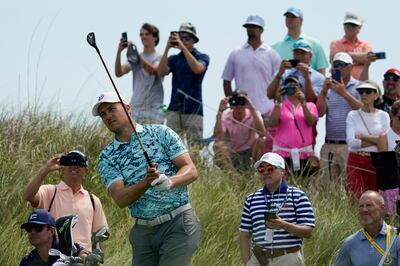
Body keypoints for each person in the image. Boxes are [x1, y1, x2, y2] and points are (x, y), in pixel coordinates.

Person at [92, 91, 200, 266]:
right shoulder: (107, 156)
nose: (107, 116)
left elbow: (190, 170)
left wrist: (169, 182)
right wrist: (146, 182)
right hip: (143, 232)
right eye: (103, 114)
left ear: (127, 108)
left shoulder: (161, 133)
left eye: (112, 109)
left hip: (178, 223)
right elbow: (120, 198)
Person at [23, 150, 108, 250]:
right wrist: (46, 169)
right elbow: (28, 196)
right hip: (55, 258)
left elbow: (100, 235)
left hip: (83, 260)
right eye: (70, 162)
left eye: (79, 163)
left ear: (86, 170)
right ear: (64, 167)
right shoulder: (50, 191)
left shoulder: (93, 200)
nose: (74, 166)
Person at [239, 152, 315, 266]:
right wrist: (247, 262)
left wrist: (284, 225)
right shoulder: (251, 199)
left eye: (270, 169)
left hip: (288, 257)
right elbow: (244, 234)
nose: (265, 172)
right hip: (259, 259)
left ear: (282, 172)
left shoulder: (298, 196)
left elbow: (307, 232)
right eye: (261, 169)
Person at [221, 15, 281, 153]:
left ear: (261, 30)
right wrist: (232, 103)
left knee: (265, 146)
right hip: (241, 111)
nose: (251, 30)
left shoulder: (271, 54)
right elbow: (227, 80)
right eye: (248, 27)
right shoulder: (236, 53)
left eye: (254, 27)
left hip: (265, 109)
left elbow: (279, 80)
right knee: (239, 149)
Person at [158, 22, 209, 142]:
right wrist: (167, 48)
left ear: (194, 40)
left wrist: (183, 47)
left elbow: (197, 69)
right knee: (171, 147)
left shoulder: (202, 56)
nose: (183, 41)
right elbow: (161, 72)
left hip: (194, 111)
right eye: (181, 38)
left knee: (194, 148)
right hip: (174, 110)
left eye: (187, 38)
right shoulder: (174, 59)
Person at [316, 52, 363, 179]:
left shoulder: (359, 86)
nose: (338, 68)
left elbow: (362, 111)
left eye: (342, 64)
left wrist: (344, 93)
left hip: (350, 146)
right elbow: (319, 113)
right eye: (335, 64)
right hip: (329, 144)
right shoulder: (328, 88)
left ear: (351, 67)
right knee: (328, 188)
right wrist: (323, 92)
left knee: (350, 185)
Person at [346, 80, 390, 199]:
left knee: (376, 198)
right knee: (355, 198)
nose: (364, 94)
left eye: (368, 91)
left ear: (376, 95)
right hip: (356, 160)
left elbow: (386, 142)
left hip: (377, 161)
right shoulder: (352, 115)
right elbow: (351, 143)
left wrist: (364, 137)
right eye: (361, 91)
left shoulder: (384, 116)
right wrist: (377, 140)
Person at [269, 76, 319, 176]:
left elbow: (311, 122)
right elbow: (272, 124)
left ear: (300, 88)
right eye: (287, 86)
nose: (291, 88)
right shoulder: (279, 106)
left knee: (304, 184)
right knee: (283, 184)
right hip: (282, 152)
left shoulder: (310, 106)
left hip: (304, 153)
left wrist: (303, 103)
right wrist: (278, 102)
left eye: (294, 86)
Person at [115, 23, 164, 124]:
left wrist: (138, 57)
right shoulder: (135, 57)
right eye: (141, 34)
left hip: (154, 108)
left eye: (147, 34)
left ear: (155, 37)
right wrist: (119, 51)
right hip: (136, 107)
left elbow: (153, 71)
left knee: (153, 139)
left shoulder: (160, 57)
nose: (143, 37)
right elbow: (119, 73)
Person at [334, 190, 400, 266]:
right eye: (361, 206)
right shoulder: (349, 244)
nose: (364, 210)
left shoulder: (397, 238)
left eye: (369, 205)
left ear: (382, 208)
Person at [213, 90, 266, 172]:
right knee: (217, 145)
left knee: (261, 141)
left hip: (250, 153)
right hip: (233, 153)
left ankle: (258, 171)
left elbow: (262, 133)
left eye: (241, 102)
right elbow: (218, 136)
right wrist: (220, 112)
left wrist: (252, 108)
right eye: (235, 102)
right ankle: (233, 177)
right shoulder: (226, 115)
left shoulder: (254, 113)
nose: (239, 106)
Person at [272, 7, 329, 75]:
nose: (289, 19)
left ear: (301, 20)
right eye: (287, 16)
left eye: (293, 16)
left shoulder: (315, 44)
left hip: (309, 84)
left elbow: (321, 72)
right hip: (283, 84)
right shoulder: (275, 48)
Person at [20, 209, 85, 266]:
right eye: (29, 228)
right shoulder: (27, 261)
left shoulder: (67, 246)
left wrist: (83, 260)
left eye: (38, 227)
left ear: (51, 231)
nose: (32, 232)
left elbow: (85, 255)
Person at [330, 12, 373, 80]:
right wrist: (359, 60)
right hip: (339, 83)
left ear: (359, 28)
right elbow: (334, 58)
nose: (350, 27)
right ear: (343, 26)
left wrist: (346, 55)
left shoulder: (366, 44)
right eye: (347, 24)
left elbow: (367, 58)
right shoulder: (335, 43)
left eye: (353, 25)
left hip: (361, 85)